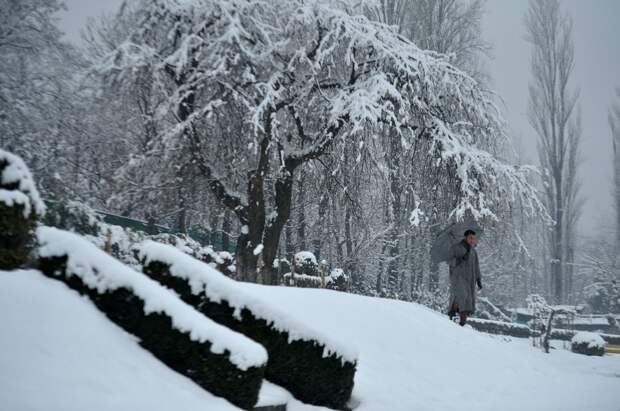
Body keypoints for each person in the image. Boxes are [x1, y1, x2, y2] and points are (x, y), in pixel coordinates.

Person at [447, 229, 482, 326]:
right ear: (465, 237)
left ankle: (461, 321)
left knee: (467, 300)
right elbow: (450, 260)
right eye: (470, 238)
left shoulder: (473, 252)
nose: (472, 240)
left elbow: (476, 266)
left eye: (474, 239)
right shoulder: (457, 248)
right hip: (459, 278)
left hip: (470, 279)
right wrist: (460, 259)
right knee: (462, 296)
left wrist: (478, 279)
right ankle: (455, 315)